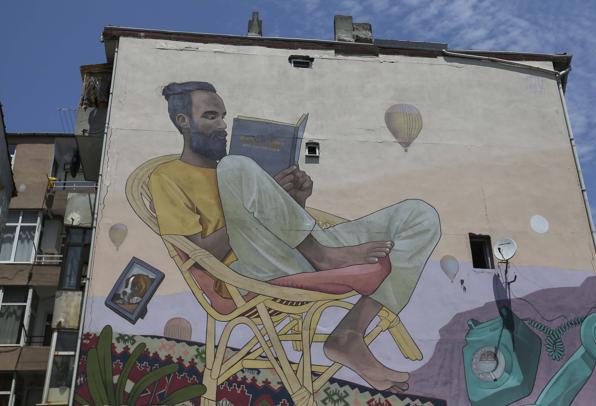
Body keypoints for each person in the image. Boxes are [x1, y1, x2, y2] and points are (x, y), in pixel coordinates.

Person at [149, 81, 441, 392]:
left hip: (291, 251)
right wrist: (250, 210)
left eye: (223, 116)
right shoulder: (166, 177)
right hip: (247, 274)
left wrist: (294, 199)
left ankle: (349, 334)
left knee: (419, 216)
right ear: (184, 122)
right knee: (236, 166)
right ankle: (323, 256)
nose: (222, 125)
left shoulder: (237, 169)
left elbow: (277, 223)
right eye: (210, 116)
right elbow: (203, 257)